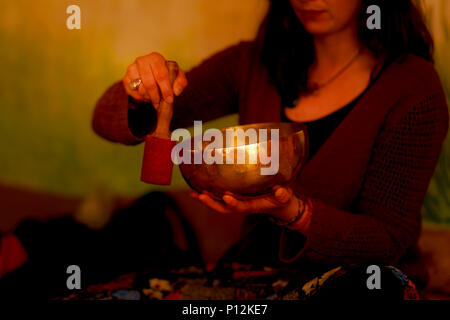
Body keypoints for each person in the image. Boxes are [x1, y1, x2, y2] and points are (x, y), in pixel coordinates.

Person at [1, 0, 448, 299]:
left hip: (355, 285)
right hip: (253, 282)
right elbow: (105, 120)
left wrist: (295, 212)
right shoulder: (254, 63)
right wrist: (143, 90)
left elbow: (386, 241)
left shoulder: (412, 88)